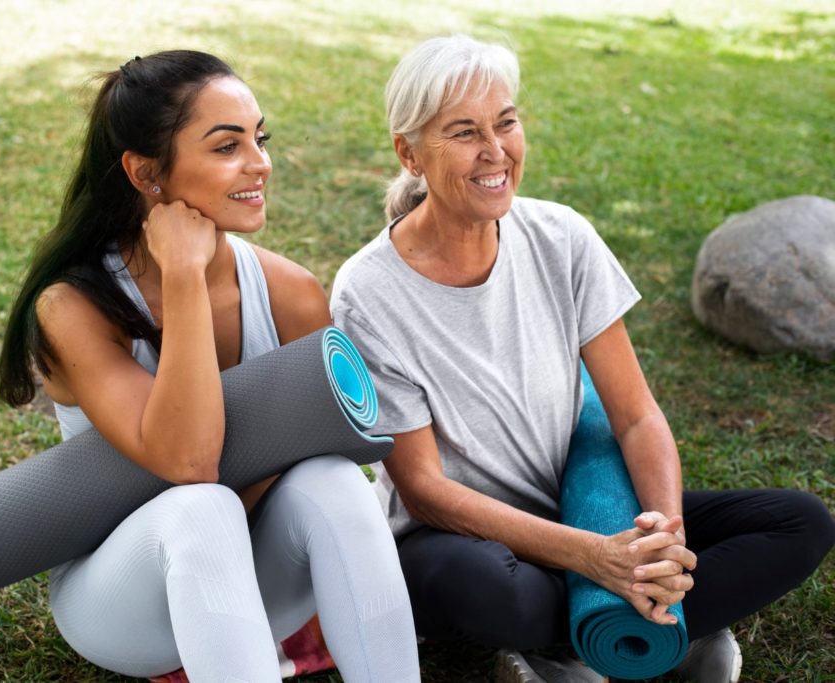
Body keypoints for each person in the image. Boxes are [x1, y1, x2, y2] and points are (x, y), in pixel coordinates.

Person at [330, 35, 835, 683]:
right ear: (409, 153)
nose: (495, 151)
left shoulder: (561, 237)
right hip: (468, 538)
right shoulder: (368, 291)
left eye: (506, 123)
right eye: (464, 132)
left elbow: (634, 415)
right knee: (474, 586)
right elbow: (426, 491)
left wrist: (663, 543)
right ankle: (657, 629)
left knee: (801, 522)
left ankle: (610, 632)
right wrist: (593, 556)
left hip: (583, 503)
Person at [0, 49, 419, 682]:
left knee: (335, 481)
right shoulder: (75, 307)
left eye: (260, 138)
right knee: (201, 507)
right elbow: (188, 465)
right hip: (123, 603)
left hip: (253, 582)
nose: (260, 164)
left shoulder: (291, 293)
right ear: (146, 175)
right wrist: (185, 274)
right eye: (226, 147)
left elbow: (333, 452)